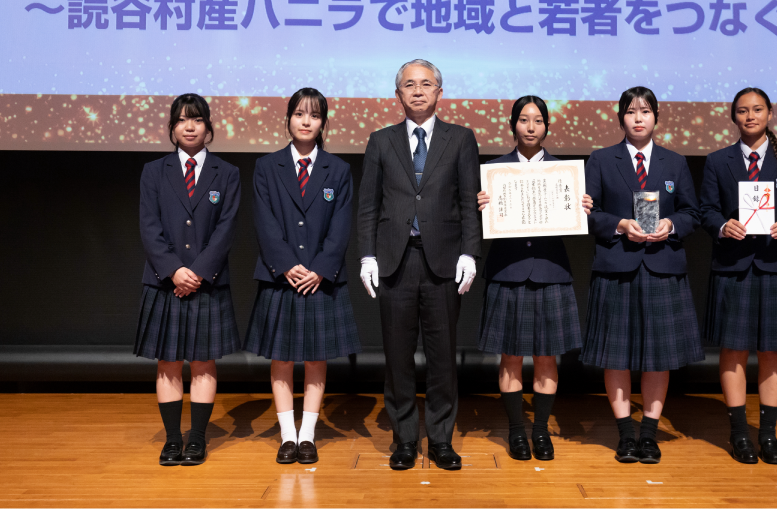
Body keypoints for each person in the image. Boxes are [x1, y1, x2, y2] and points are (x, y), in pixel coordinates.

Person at [357, 59, 481, 470]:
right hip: (396, 261)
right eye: (409, 85)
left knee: (443, 357)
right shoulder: (381, 140)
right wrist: (367, 255)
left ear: (439, 92)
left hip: (443, 261)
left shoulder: (460, 138)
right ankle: (405, 439)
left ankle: (441, 439)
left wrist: (470, 252)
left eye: (426, 84)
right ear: (398, 94)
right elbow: (368, 205)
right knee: (397, 357)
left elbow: (469, 202)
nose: (418, 91)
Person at [581, 86, 704, 464]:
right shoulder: (601, 159)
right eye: (631, 111)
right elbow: (588, 213)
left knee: (658, 356)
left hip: (662, 265)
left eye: (646, 111)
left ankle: (648, 434)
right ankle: (624, 434)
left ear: (656, 117)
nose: (638, 118)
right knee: (615, 356)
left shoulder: (674, 162)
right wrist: (620, 225)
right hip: (617, 265)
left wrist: (671, 224)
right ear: (621, 117)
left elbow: (692, 213)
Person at [244, 88, 361, 465]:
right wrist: (285, 263)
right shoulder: (267, 166)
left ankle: (307, 435)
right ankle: (287, 436)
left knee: (316, 359)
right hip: (281, 277)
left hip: (320, 279)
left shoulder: (338, 170)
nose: (306, 121)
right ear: (288, 119)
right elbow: (264, 221)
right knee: (280, 359)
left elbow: (341, 227)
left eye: (314, 115)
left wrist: (321, 269)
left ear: (323, 122)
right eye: (299, 114)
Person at [475, 96, 592, 461]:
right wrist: (480, 207)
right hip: (508, 271)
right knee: (510, 357)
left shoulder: (565, 173)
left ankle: (540, 431)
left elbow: (575, 220)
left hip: (550, 270)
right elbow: (479, 222)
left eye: (538, 120)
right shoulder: (493, 172)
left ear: (546, 127)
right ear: (513, 125)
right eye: (524, 120)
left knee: (546, 358)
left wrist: (582, 207)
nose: (530, 126)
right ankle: (516, 432)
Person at [700, 87, 777, 465]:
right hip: (734, 265)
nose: (750, 116)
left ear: (770, 114)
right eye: (743, 111)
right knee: (733, 349)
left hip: (775, 263)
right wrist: (722, 226)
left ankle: (767, 434)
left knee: (773, 350)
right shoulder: (718, 161)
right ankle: (738, 433)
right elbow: (706, 211)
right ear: (733, 116)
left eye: (757, 109)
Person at [135, 93, 242, 466]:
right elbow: (148, 226)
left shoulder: (227, 173)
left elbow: (226, 229)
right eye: (181, 120)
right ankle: (171, 440)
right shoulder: (154, 171)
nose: (189, 126)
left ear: (208, 127)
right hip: (164, 281)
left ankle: (196, 439)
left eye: (197, 119)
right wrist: (173, 269)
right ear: (172, 127)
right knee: (167, 361)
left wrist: (197, 271)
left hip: (206, 282)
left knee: (202, 362)